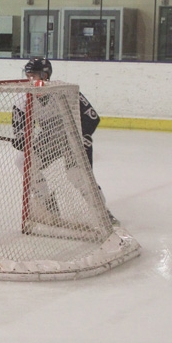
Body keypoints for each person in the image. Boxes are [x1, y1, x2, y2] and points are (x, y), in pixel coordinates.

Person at [11, 58, 117, 225]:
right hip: (50, 137)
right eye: (28, 76)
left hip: (72, 135)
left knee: (76, 175)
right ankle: (48, 203)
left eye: (34, 76)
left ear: (45, 76)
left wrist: (82, 138)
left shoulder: (64, 91)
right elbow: (19, 129)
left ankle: (102, 211)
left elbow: (92, 118)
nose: (30, 81)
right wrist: (20, 138)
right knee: (23, 160)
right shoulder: (21, 99)